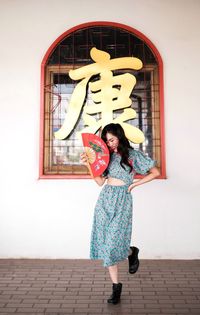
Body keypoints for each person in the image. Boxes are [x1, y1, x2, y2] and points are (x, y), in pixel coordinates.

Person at [80, 123, 160, 304]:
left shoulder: (133, 155)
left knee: (113, 243)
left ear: (120, 137)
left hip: (123, 201)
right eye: (106, 141)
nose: (109, 144)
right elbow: (100, 182)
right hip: (105, 201)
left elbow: (155, 172)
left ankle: (131, 252)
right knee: (107, 245)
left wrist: (134, 184)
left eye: (112, 140)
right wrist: (89, 165)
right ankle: (116, 287)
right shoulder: (105, 157)